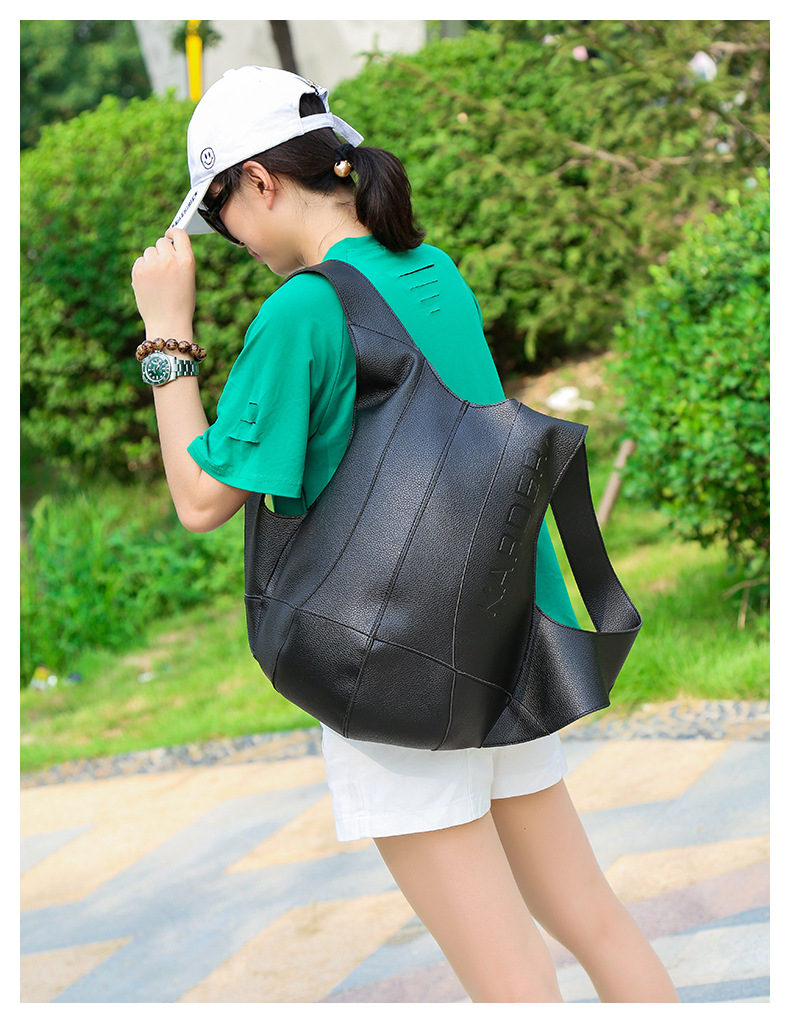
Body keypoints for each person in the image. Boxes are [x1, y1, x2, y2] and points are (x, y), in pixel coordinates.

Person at [131, 66, 679, 1004]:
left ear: (257, 181)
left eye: (222, 215)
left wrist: (165, 336)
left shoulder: (303, 311)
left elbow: (199, 497)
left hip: (393, 660)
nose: (233, 241)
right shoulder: (432, 270)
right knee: (591, 917)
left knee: (512, 983)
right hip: (504, 637)